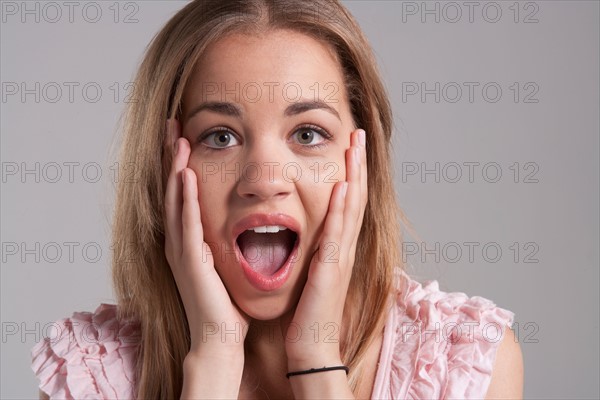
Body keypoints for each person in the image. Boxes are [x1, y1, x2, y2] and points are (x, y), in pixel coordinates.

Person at [31, 0, 523, 398]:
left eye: (308, 133)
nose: (265, 181)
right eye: (220, 137)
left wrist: (316, 361)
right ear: (164, 168)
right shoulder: (90, 373)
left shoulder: (467, 365)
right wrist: (213, 363)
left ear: (362, 160)